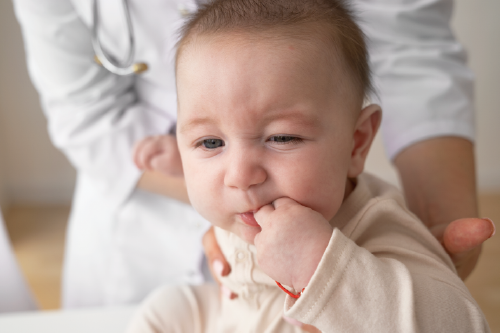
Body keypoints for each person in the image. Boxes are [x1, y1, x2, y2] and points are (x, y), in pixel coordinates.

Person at [12, 0, 494, 308]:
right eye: (209, 142)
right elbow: (86, 115)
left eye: (283, 138)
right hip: (133, 240)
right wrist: (168, 314)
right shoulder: (235, 228)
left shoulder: (378, 230)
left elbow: (453, 321)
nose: (241, 177)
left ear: (357, 142)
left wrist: (329, 269)